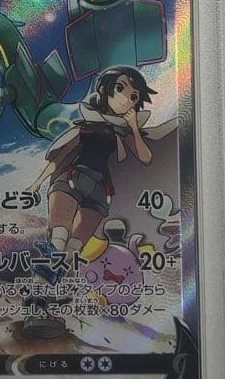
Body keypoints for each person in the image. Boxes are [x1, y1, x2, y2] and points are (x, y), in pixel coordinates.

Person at [28, 66, 159, 259]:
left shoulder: (123, 131)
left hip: (97, 187)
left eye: (133, 97)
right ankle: (55, 255)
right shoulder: (86, 127)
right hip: (77, 179)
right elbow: (60, 157)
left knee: (74, 243)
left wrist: (133, 128)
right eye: (120, 89)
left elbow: (146, 158)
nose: (125, 99)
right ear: (104, 90)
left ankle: (58, 260)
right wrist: (37, 183)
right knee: (62, 235)